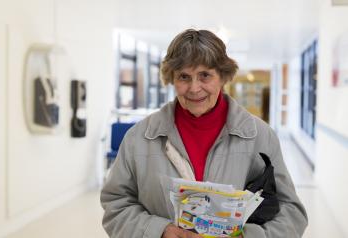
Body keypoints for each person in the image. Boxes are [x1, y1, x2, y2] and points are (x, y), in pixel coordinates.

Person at [101, 29, 308, 238]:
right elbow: (116, 204)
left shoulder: (260, 136)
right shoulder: (139, 138)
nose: (194, 88)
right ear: (171, 79)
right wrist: (159, 231)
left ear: (223, 77)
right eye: (184, 76)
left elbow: (292, 213)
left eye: (205, 75)